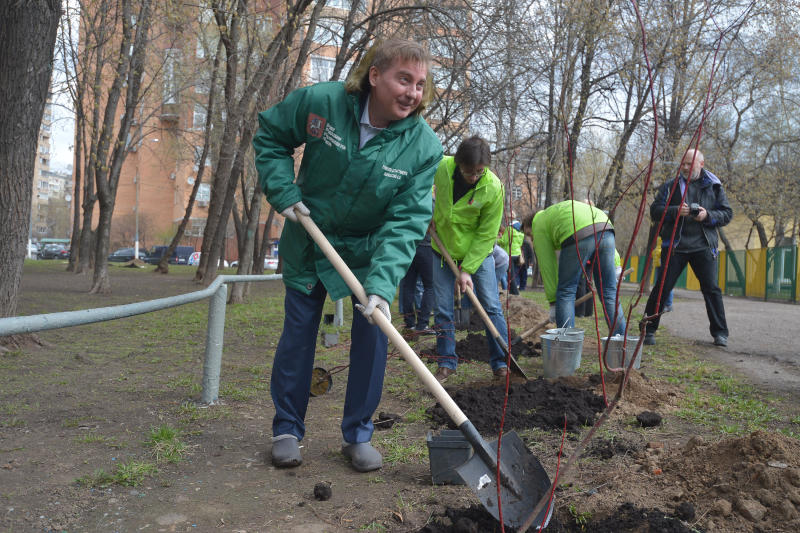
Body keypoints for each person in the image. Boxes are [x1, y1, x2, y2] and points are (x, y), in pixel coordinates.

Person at [253, 38, 443, 472]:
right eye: (403, 79)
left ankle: (357, 434)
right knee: (299, 334)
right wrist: (283, 191)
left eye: (420, 84)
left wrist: (380, 285)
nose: (413, 92)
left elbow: (407, 221)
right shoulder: (323, 102)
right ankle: (286, 428)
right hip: (309, 234)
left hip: (368, 251)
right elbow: (271, 136)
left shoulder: (423, 147)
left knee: (373, 336)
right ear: (375, 76)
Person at [431, 136, 510, 382]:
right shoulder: (441, 167)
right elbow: (417, 183)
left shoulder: (493, 188)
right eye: (468, 172)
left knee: (490, 306)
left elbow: (487, 234)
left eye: (479, 172)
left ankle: (501, 362)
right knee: (443, 309)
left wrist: (467, 269)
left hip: (479, 253)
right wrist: (424, 212)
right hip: (442, 249)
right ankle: (446, 361)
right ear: (457, 163)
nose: (473, 177)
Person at [643, 148, 732, 346]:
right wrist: (675, 211)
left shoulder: (714, 186)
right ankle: (648, 330)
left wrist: (707, 215)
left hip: (704, 246)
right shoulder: (670, 186)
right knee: (662, 288)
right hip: (675, 246)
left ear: (701, 164)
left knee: (711, 289)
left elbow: (727, 214)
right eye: (683, 163)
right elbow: (655, 211)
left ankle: (720, 334)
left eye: (689, 163)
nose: (684, 167)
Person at [522, 201, 626, 335]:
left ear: (530, 224)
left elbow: (547, 266)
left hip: (579, 233)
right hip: (605, 226)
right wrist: (616, 264)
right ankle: (622, 347)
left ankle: (567, 346)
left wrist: (553, 302)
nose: (531, 240)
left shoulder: (539, 224)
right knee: (610, 293)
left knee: (566, 291)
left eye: (529, 235)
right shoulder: (555, 214)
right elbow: (599, 230)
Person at [400, 220, 434, 334]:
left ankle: (409, 323)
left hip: (409, 247)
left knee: (408, 286)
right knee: (430, 287)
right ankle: (422, 324)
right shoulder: (432, 204)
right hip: (426, 247)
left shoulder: (409, 202)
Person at [497, 222, 524, 295]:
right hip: (517, 255)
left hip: (510, 254)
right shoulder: (520, 233)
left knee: (510, 274)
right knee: (513, 273)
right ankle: (513, 290)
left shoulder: (509, 229)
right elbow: (520, 243)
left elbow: (504, 241)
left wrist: (497, 240)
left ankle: (515, 292)